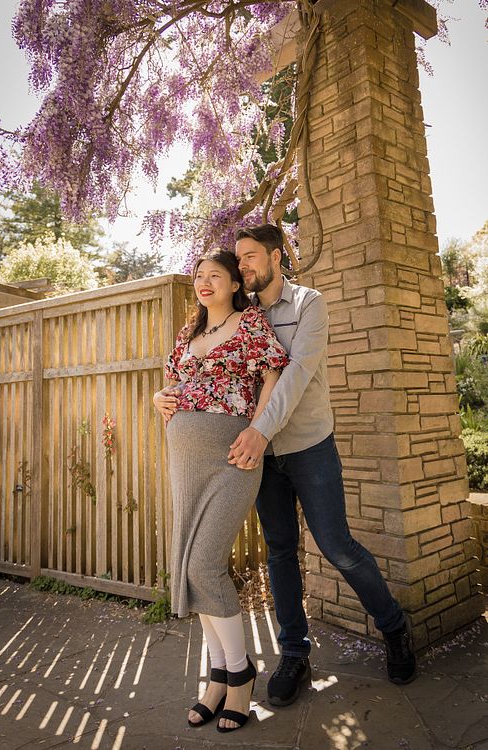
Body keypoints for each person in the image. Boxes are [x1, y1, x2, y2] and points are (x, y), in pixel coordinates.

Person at [226, 223, 417, 707]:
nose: (242, 265)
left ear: (275, 256)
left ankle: (394, 626)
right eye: (238, 258)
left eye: (250, 256)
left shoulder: (309, 303)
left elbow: (296, 374)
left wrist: (260, 430)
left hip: (309, 444)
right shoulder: (241, 313)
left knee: (337, 546)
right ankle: (294, 654)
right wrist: (167, 395)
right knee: (280, 552)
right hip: (263, 456)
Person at [153, 248, 288, 732]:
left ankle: (240, 673)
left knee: (204, 565)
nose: (204, 282)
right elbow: (170, 382)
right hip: (185, 460)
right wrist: (157, 396)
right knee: (190, 568)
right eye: (199, 275)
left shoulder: (250, 324)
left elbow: (273, 378)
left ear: (234, 283)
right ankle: (218, 677)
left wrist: (258, 431)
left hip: (233, 455)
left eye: (215, 275)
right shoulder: (188, 333)